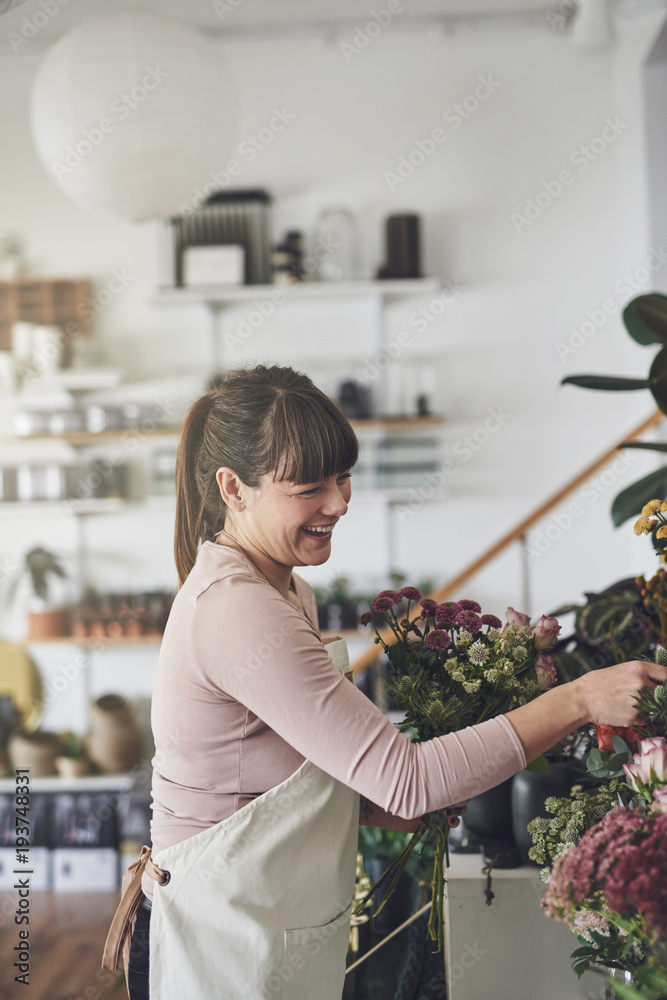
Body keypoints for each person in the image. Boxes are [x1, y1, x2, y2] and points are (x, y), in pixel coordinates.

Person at [103, 365, 667, 1000]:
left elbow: (291, 765)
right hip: (212, 937)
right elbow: (408, 780)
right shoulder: (238, 609)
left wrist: (366, 807)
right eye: (311, 486)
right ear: (233, 489)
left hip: (254, 920)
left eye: (343, 477)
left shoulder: (284, 588)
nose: (340, 502)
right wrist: (581, 697)